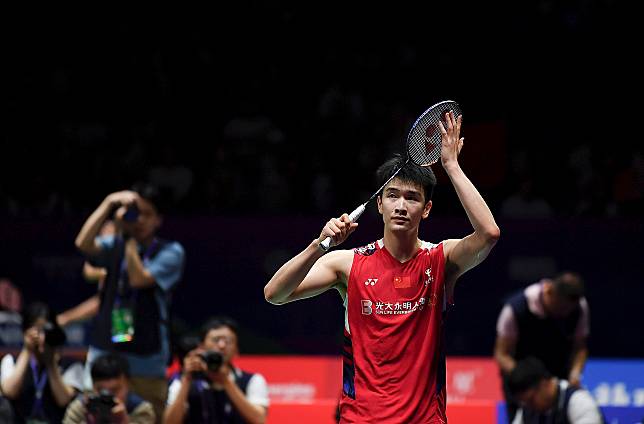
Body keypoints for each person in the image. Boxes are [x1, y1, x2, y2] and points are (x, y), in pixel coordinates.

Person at [264, 111, 500, 422]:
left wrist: (452, 166)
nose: (401, 206)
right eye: (392, 196)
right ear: (379, 204)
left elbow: (488, 233)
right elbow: (275, 294)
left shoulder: (440, 259)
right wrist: (318, 245)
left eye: (412, 198)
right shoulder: (347, 263)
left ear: (426, 209)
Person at [74, 182, 185, 423]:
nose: (140, 221)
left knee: (147, 417)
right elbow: (83, 243)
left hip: (147, 356)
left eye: (147, 214)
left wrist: (129, 239)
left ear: (158, 220)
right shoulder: (114, 244)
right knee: (95, 415)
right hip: (105, 351)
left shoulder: (171, 252)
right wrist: (108, 204)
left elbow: (138, 279)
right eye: (137, 214)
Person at [495, 271, 590, 421]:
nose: (564, 314)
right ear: (549, 291)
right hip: (523, 384)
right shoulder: (515, 308)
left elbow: (580, 347)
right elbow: (501, 354)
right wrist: (527, 377)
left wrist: (575, 374)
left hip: (555, 381)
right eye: (560, 308)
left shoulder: (579, 307)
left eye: (568, 310)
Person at [165, 316, 269, 424]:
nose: (221, 345)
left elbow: (259, 420)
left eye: (228, 341)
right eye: (215, 340)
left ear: (236, 349)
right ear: (201, 346)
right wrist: (186, 380)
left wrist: (226, 382)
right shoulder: (182, 380)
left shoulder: (253, 380)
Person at [0, 301, 80, 423]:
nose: (42, 336)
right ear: (24, 332)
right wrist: (27, 350)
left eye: (45, 330)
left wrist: (51, 363)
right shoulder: (11, 360)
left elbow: (63, 400)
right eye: (37, 329)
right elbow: (9, 392)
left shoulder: (71, 365)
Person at [63, 352, 155, 424]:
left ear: (128, 384)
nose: (107, 396)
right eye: (101, 390)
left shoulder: (141, 410)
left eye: (114, 390)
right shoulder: (80, 408)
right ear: (92, 386)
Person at [508, 357, 602, 424]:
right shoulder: (527, 410)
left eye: (531, 400)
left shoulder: (579, 402)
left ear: (544, 384)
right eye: (525, 403)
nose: (529, 407)